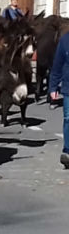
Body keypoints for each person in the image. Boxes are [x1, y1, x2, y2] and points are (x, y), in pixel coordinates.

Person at [49, 30, 69, 168]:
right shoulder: (65, 40)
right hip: (68, 87)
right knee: (68, 118)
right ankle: (67, 150)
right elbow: (57, 65)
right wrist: (53, 86)